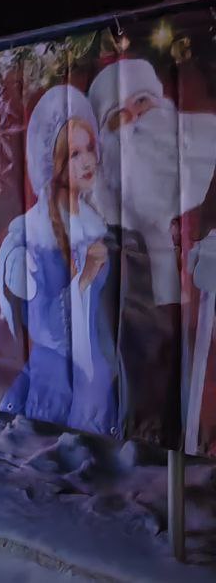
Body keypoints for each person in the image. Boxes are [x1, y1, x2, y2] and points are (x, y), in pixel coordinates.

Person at [88, 57, 216, 450]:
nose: (136, 122)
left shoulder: (205, 156)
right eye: (119, 117)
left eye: (142, 102)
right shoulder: (112, 238)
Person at [0, 85, 117, 434]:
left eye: (89, 148)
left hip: (96, 376)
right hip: (56, 380)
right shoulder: (35, 236)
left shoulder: (96, 227)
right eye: (75, 153)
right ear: (54, 162)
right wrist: (84, 277)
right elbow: (47, 328)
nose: (88, 160)